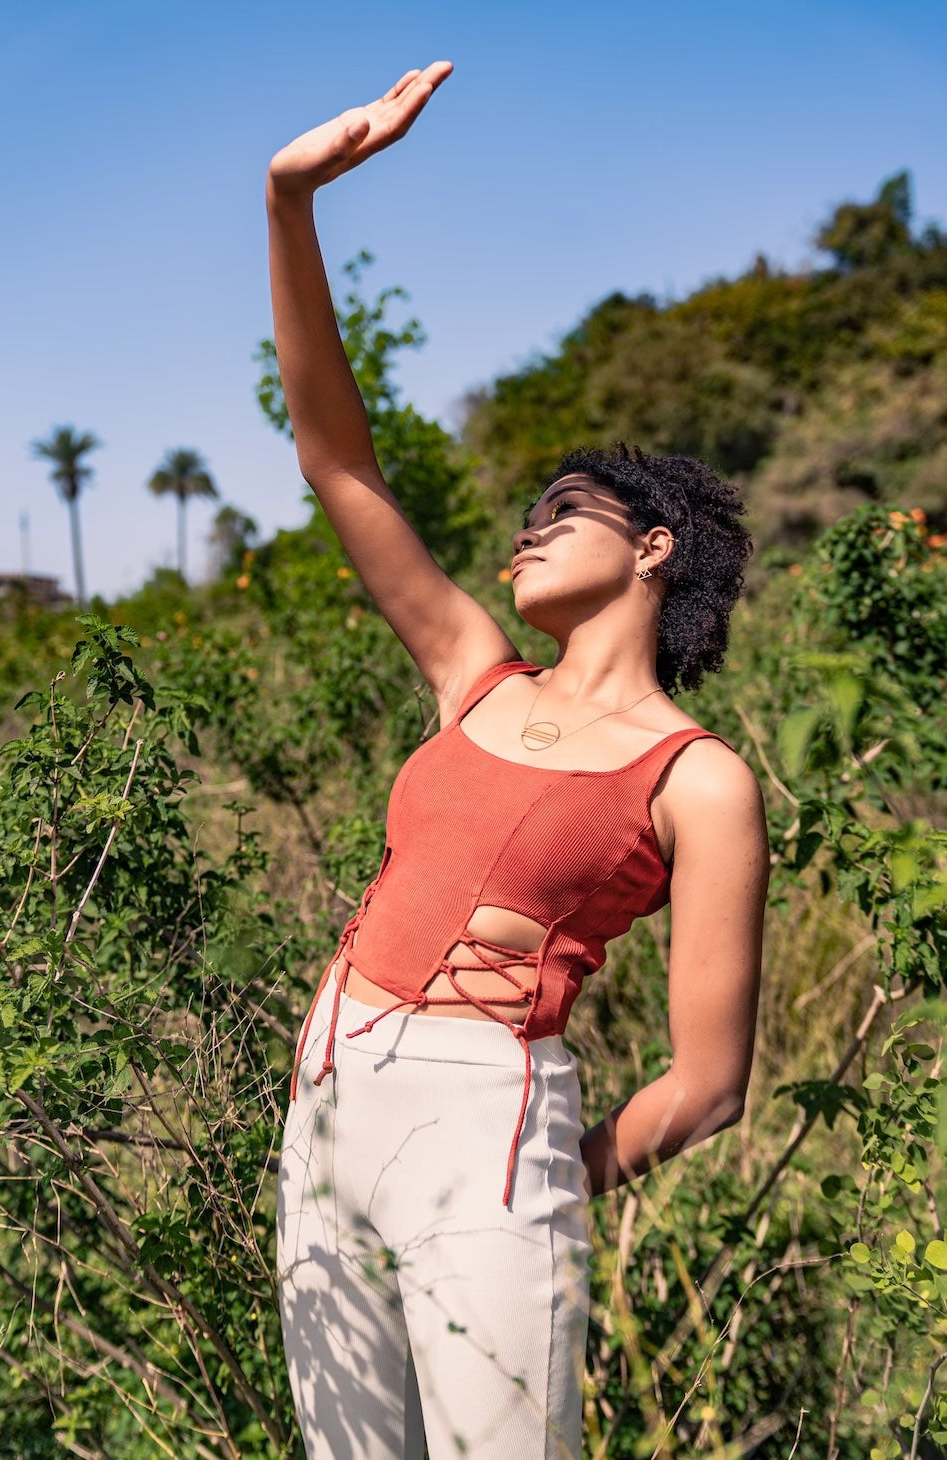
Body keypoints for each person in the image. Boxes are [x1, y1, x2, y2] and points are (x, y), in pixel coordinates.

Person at [270, 62, 768, 1460]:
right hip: (327, 1097)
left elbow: (706, 1082)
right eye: (526, 516)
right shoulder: (470, 672)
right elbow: (336, 460)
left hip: (497, 1132)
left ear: (653, 546)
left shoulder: (697, 778)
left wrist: (548, 1183)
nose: (526, 531)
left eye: (567, 509)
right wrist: (290, 203)